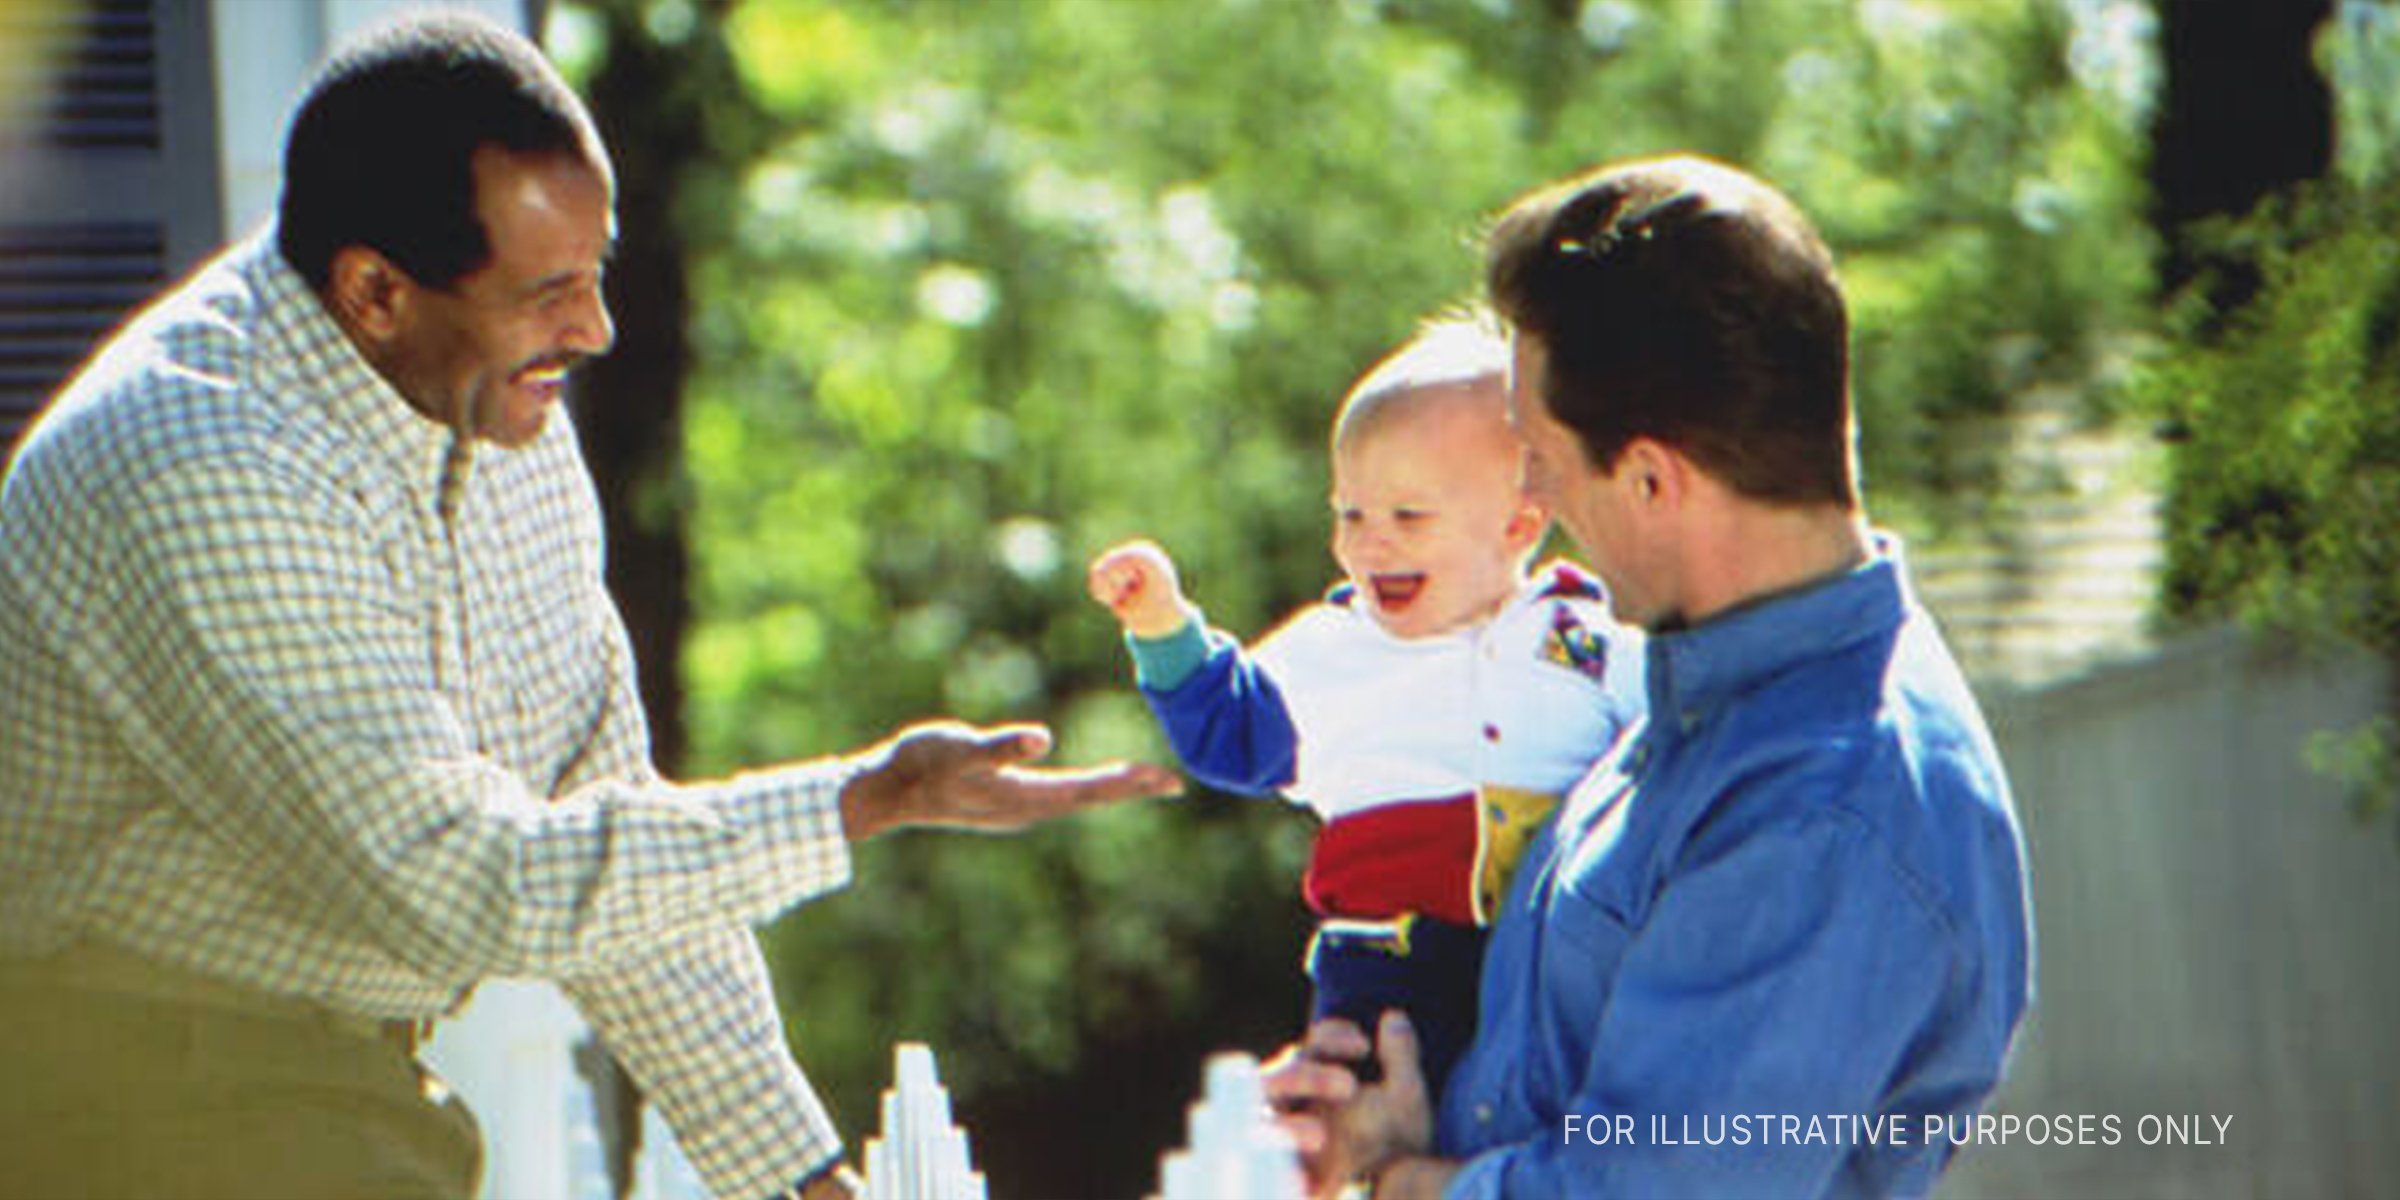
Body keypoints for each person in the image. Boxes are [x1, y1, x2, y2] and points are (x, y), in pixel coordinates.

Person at [0, 12, 1175, 1200]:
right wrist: (870, 795)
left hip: (314, 1089)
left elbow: (603, 829)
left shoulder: (496, 411)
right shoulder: (208, 460)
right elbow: (463, 885)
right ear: (373, 292)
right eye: (546, 290)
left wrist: (805, 1183)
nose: (596, 328)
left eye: (596, 273)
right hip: (116, 1083)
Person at [1263, 155, 2035, 1200]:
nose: (1527, 489)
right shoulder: (1690, 708)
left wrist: (1402, 1178)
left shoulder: (1820, 807)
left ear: (1648, 476)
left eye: (1537, 453)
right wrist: (1389, 1113)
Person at [1087, 316, 1646, 1100]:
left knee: (1572, 1125)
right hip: (1392, 973)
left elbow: (1679, 743)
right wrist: (1163, 629)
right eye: (1350, 514)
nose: (1370, 544)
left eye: (1408, 517)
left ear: (1519, 525)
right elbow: (1231, 736)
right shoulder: (1331, 651)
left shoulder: (1584, 636)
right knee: (1374, 1123)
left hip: (1559, 960)